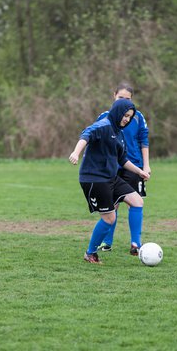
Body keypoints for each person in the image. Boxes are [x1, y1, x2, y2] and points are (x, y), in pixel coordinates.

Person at [69, 98, 150, 264]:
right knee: (109, 219)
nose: (126, 119)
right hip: (94, 179)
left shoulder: (119, 134)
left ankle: (136, 244)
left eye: (129, 116)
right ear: (117, 112)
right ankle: (90, 253)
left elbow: (123, 160)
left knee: (137, 201)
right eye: (125, 115)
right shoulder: (103, 125)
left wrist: (139, 171)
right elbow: (86, 135)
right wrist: (76, 153)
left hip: (111, 177)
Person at [97, 83, 151, 254]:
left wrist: (146, 165)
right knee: (112, 206)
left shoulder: (137, 117)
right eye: (121, 98)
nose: (124, 101)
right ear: (114, 96)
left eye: (127, 99)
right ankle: (107, 242)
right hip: (112, 166)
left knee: (134, 203)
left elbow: (144, 140)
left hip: (133, 165)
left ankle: (135, 244)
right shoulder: (104, 117)